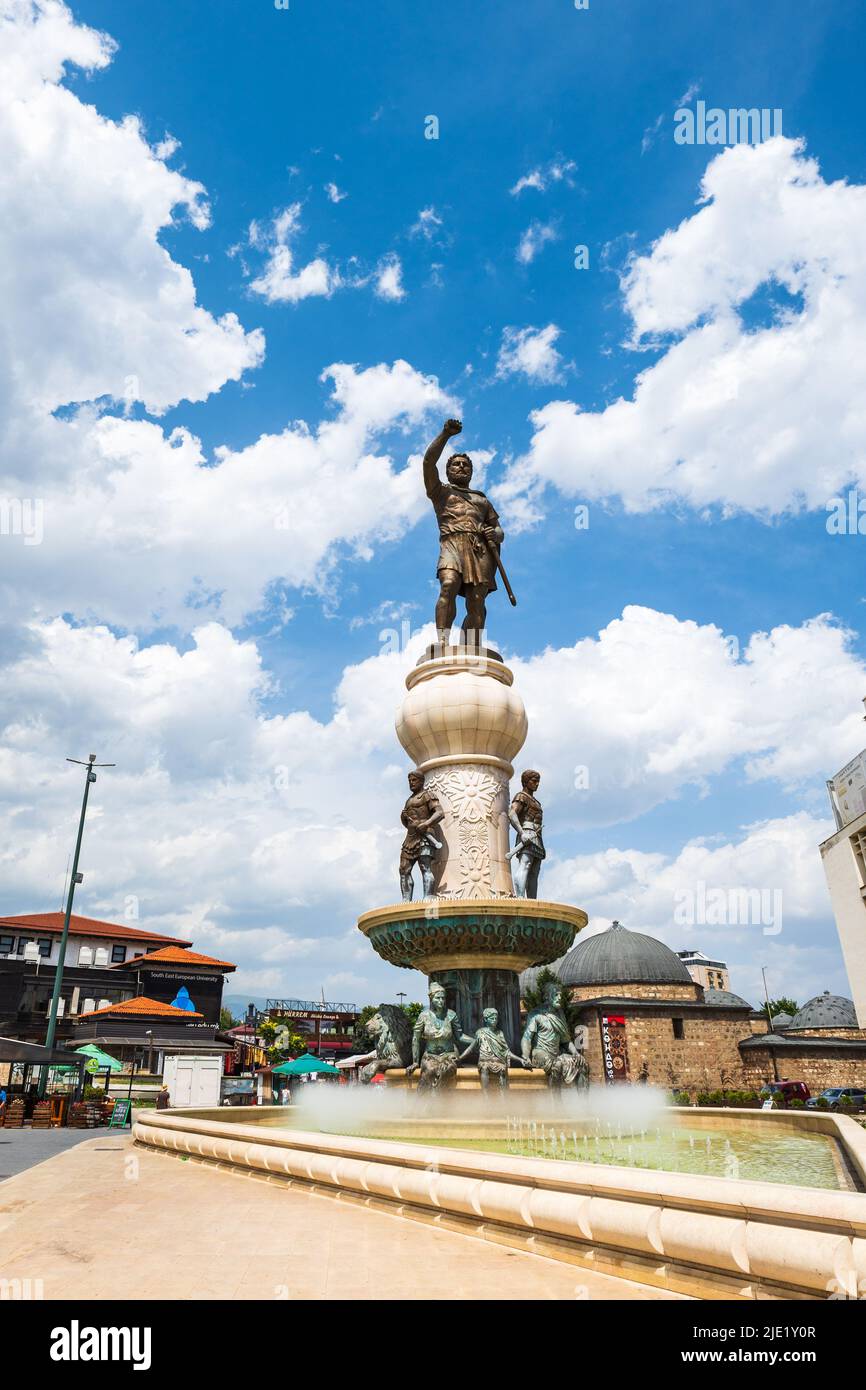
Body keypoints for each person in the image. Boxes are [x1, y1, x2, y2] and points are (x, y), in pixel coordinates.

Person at [422, 418, 505, 647]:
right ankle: (442, 641)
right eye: (455, 465)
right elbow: (428, 462)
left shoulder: (482, 499)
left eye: (465, 465)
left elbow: (499, 530)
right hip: (451, 544)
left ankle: (471, 646)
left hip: (479, 550)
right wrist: (445, 434)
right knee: (448, 585)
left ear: (471, 472)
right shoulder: (440, 492)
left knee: (477, 600)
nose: (460, 467)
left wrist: (495, 534)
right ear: (447, 471)